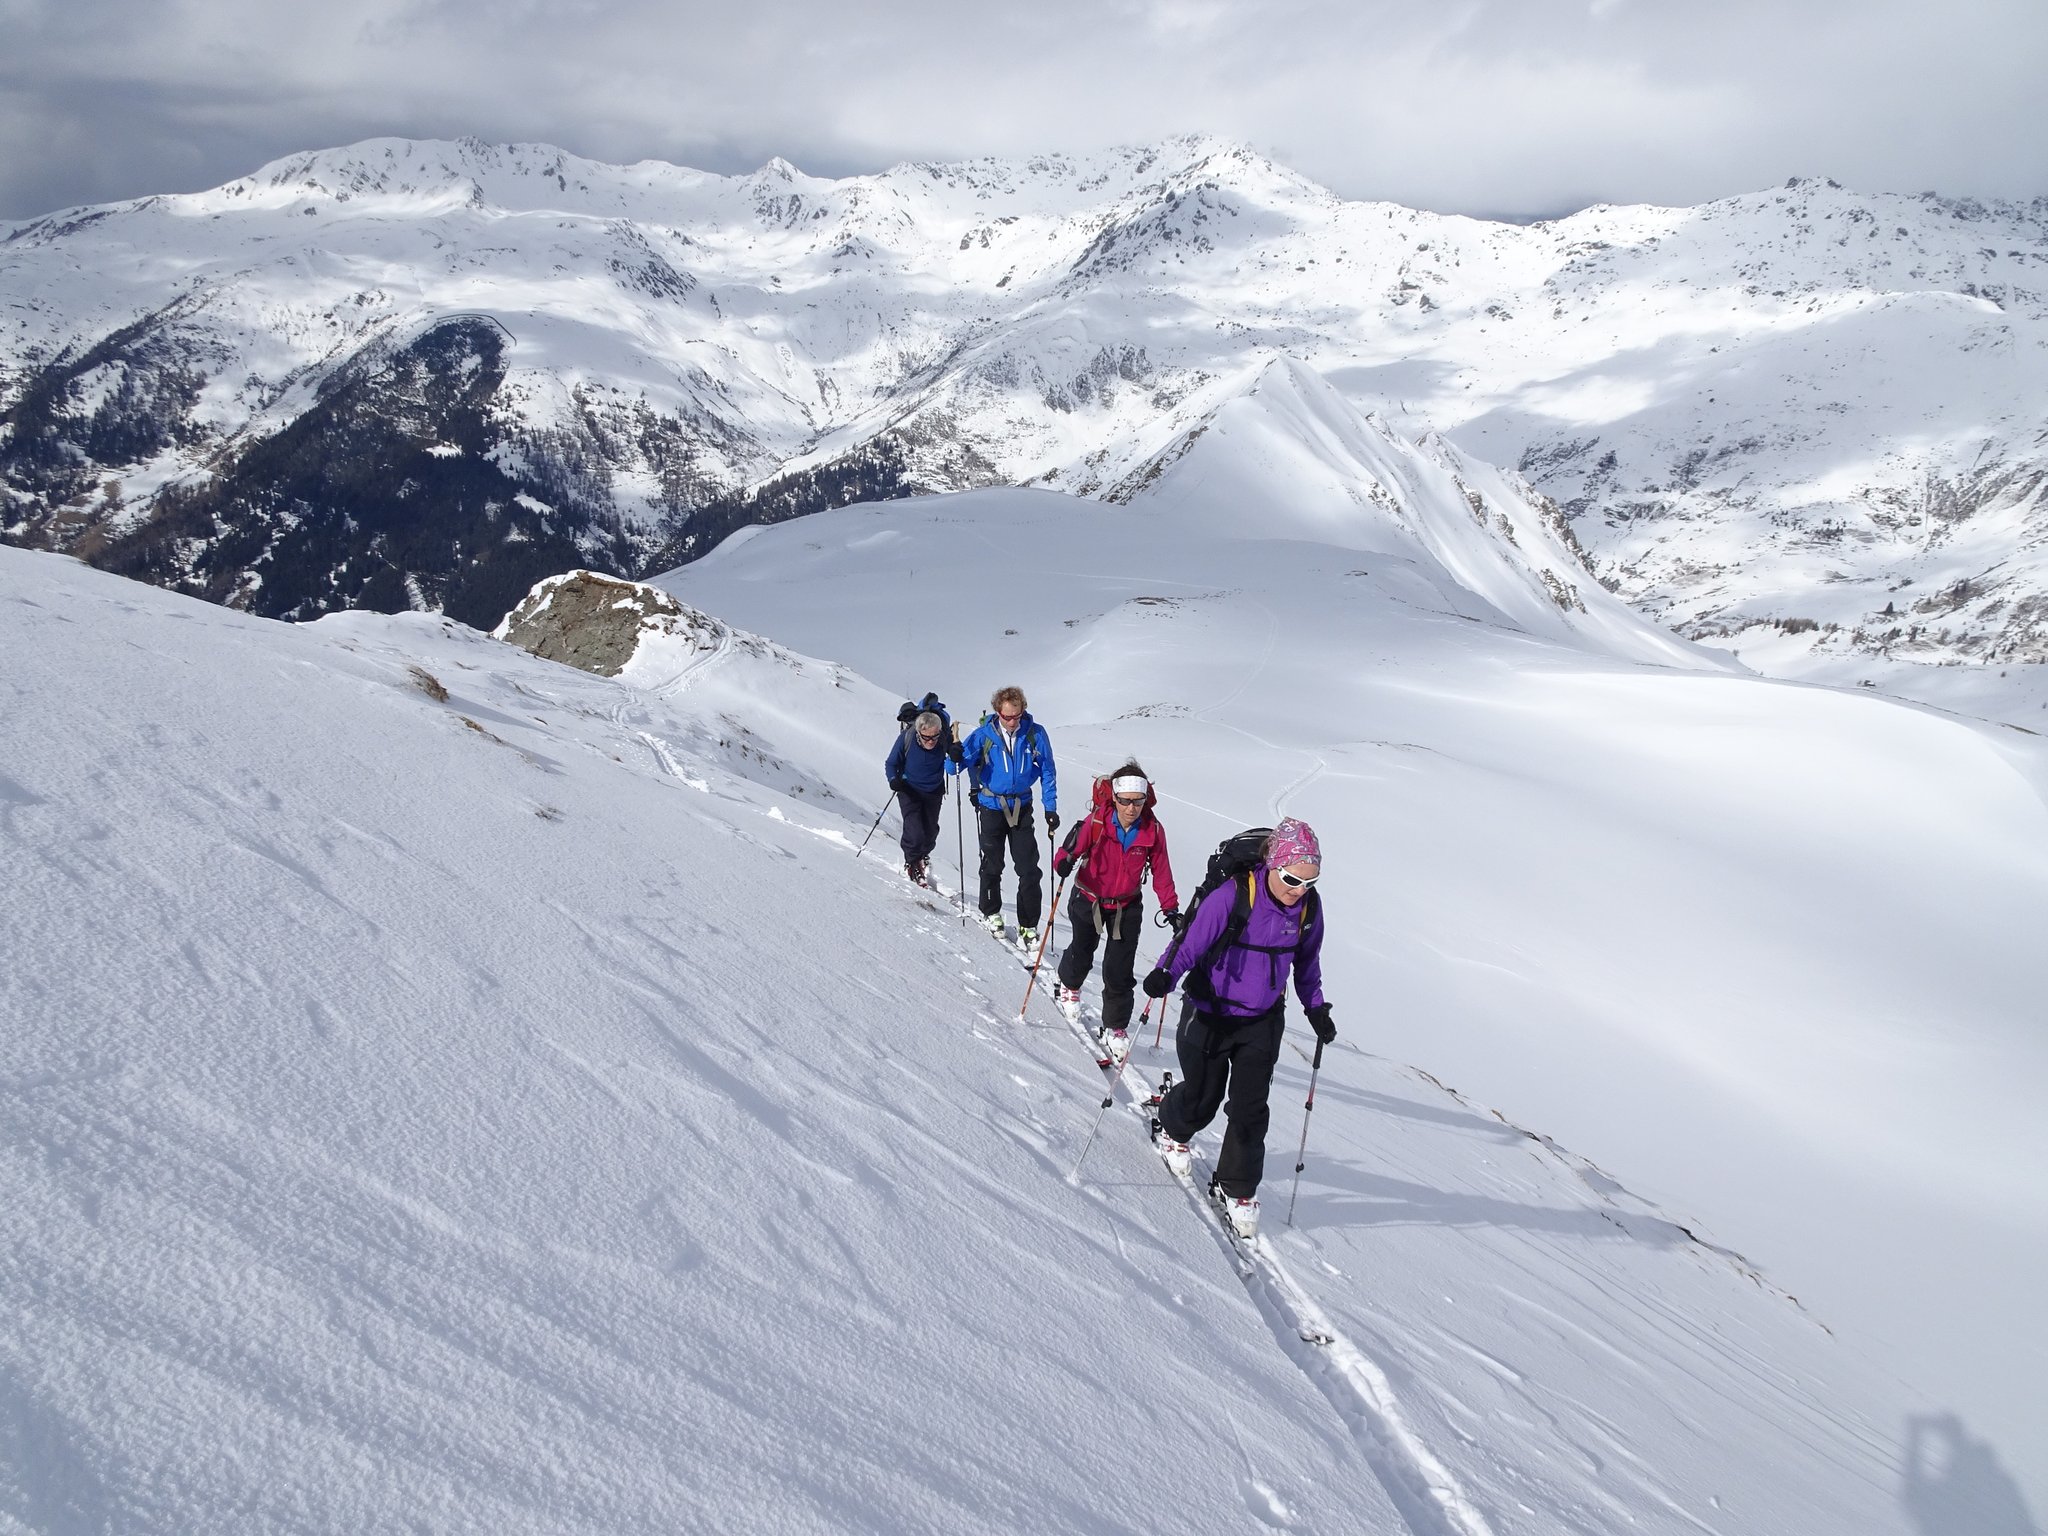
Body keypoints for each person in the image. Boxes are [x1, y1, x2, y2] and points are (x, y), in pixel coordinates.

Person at [1141, 817, 1336, 1239]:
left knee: (1250, 1108)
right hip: (1210, 1011)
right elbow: (1189, 944)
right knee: (1203, 1098)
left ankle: (1238, 1187)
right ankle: (1172, 1125)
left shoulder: (1308, 909)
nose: (1299, 889)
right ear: (1273, 865)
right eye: (1292, 879)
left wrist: (1316, 1007)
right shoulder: (1232, 896)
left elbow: (1307, 964)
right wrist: (1165, 975)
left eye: (1310, 881)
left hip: (1262, 1020)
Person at [1049, 762, 1178, 1063]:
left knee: (1119, 969)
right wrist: (1063, 862)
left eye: (1138, 801)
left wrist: (1170, 908)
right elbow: (1069, 850)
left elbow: (1161, 872)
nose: (1132, 808)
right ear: (1115, 798)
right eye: (1125, 801)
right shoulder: (1097, 821)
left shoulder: (1153, 830)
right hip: (1088, 898)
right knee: (1082, 951)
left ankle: (1115, 1026)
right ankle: (1069, 985)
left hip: (1126, 906)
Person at [955, 686, 1058, 948]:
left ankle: (1028, 925)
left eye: (1017, 716)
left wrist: (1050, 807)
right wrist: (953, 755)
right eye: (1007, 717)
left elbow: (1047, 769)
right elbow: (954, 767)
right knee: (992, 862)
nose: (1012, 722)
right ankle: (991, 912)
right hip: (991, 806)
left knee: (1029, 868)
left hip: (1022, 805)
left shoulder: (1035, 734)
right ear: (997, 712)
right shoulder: (983, 735)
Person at [884, 693, 959, 886]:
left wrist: (955, 752)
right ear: (918, 732)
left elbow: (955, 755)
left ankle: (922, 856)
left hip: (934, 790)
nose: (931, 741)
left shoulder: (943, 739)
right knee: (915, 829)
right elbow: (891, 763)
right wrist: (893, 780)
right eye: (926, 737)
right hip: (909, 789)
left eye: (934, 736)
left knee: (931, 831)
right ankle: (912, 862)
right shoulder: (906, 738)